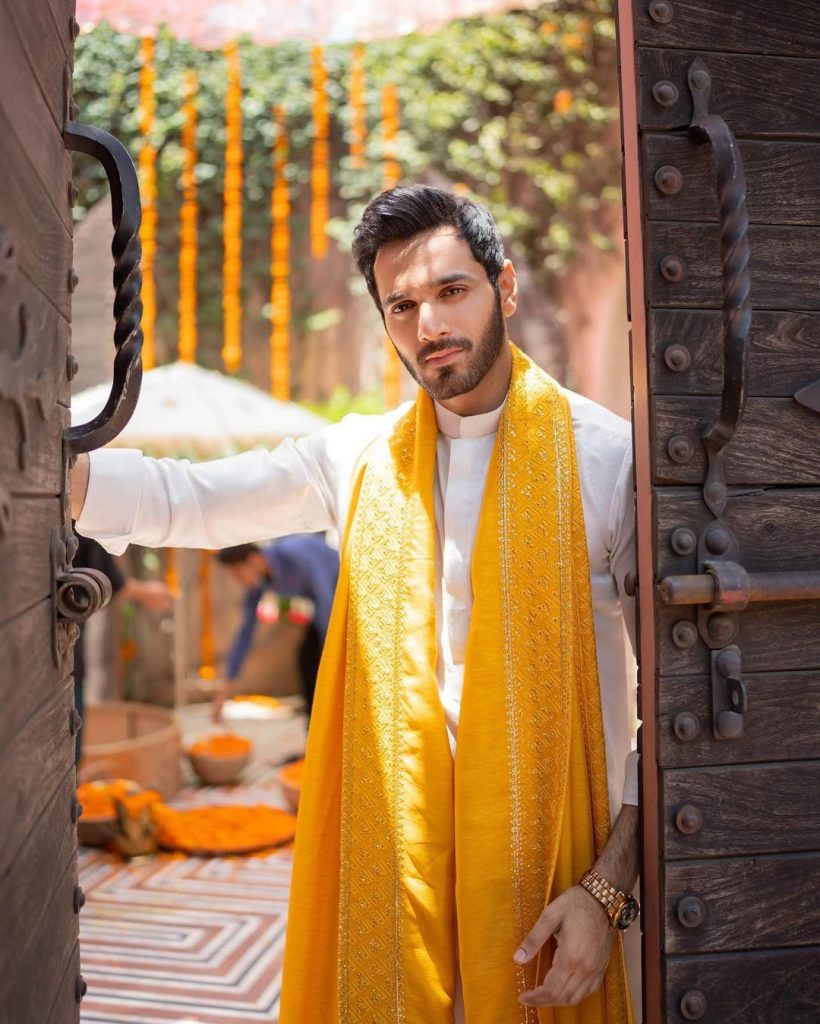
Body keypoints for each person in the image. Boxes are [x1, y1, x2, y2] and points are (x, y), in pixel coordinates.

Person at [72, 185, 640, 1024]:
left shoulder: (610, 462)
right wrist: (47, 470)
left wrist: (607, 890)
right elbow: (187, 500)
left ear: (505, 288)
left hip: (556, 875)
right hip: (396, 865)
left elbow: (670, 712)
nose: (430, 327)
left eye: (453, 291)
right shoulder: (360, 458)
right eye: (402, 305)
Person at [213, 537, 339, 719]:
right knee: (307, 662)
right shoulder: (260, 582)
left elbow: (325, 597)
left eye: (238, 573)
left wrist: (332, 653)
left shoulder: (294, 552)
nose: (238, 580)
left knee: (320, 662)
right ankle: (313, 738)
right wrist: (225, 690)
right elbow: (245, 632)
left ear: (254, 559)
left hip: (344, 596)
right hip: (325, 608)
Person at [72, 535, 173, 761]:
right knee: (69, 750)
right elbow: (107, 581)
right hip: (64, 656)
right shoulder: (79, 518)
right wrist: (144, 591)